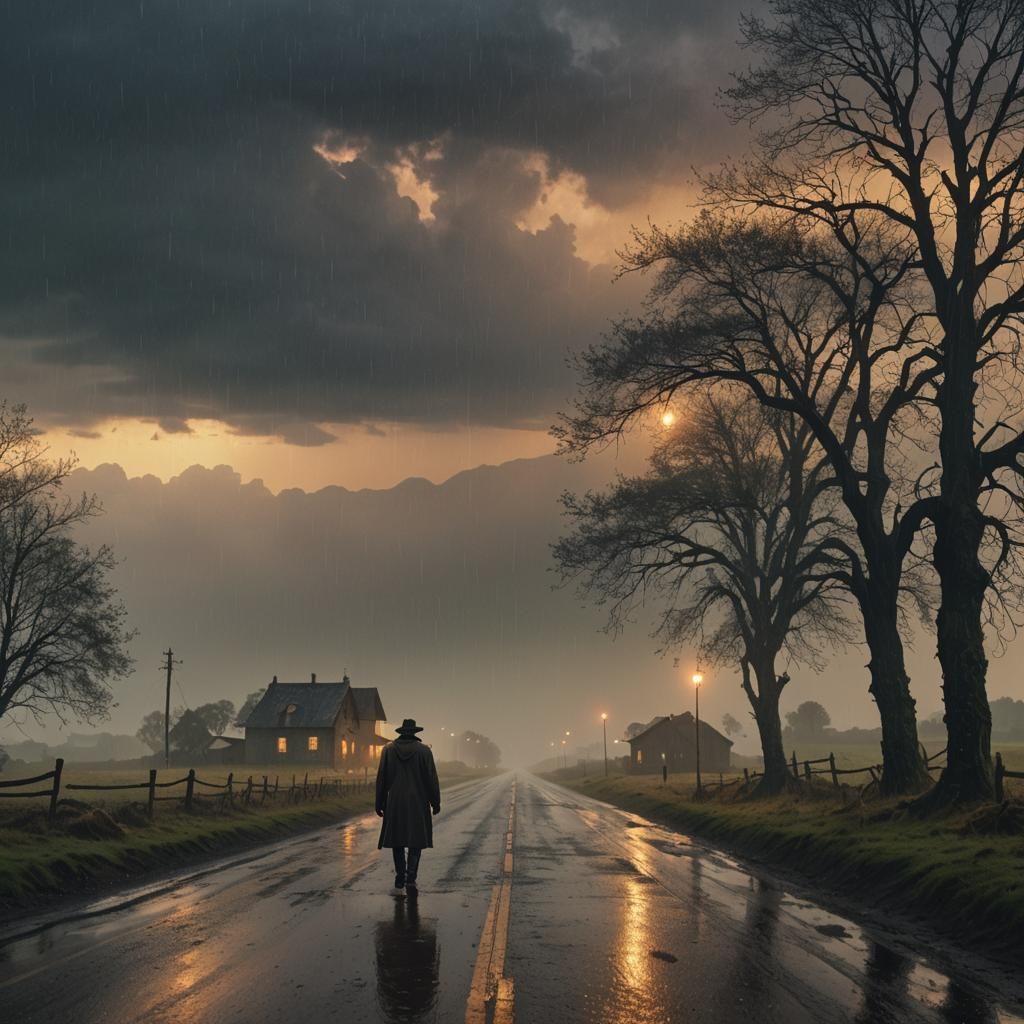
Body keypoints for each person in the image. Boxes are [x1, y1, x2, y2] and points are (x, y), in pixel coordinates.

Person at [376, 718, 441, 893]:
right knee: (416, 840)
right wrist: (435, 802)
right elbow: (431, 779)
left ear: (401, 732)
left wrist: (379, 802)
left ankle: (400, 875)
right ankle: (411, 877)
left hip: (395, 801)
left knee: (397, 839)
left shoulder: (388, 750)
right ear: (415, 733)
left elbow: (381, 778)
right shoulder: (424, 751)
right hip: (418, 801)